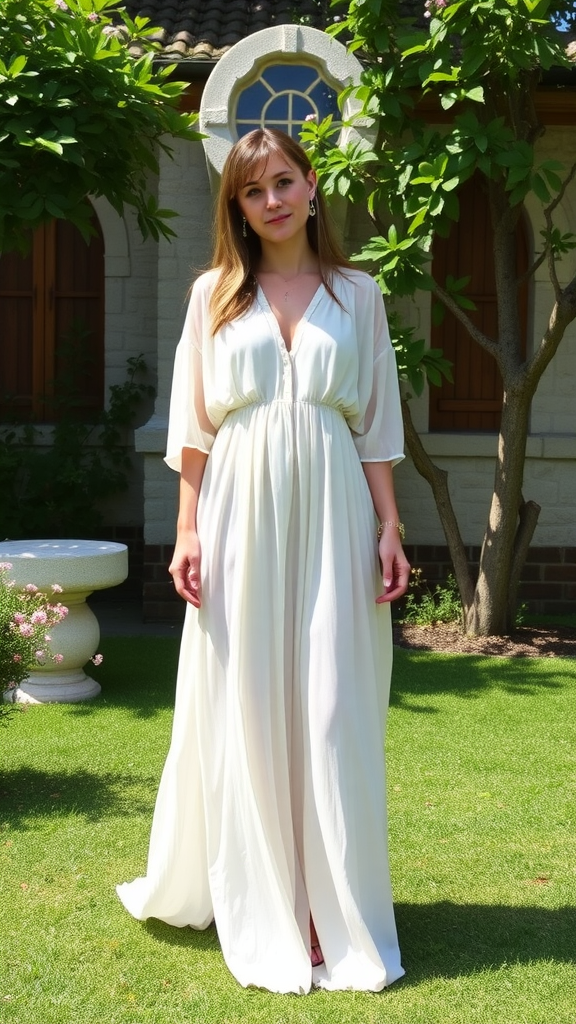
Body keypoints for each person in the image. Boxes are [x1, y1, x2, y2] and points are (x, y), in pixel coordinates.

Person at [117, 127, 410, 994]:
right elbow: (193, 432)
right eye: (254, 190)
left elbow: (378, 425)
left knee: (329, 708)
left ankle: (328, 904)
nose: (273, 199)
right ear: (236, 206)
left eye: (285, 180)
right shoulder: (212, 294)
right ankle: (267, 895)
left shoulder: (359, 295)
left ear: (312, 186)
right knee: (245, 701)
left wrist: (391, 527)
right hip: (239, 510)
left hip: (334, 510)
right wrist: (190, 530)